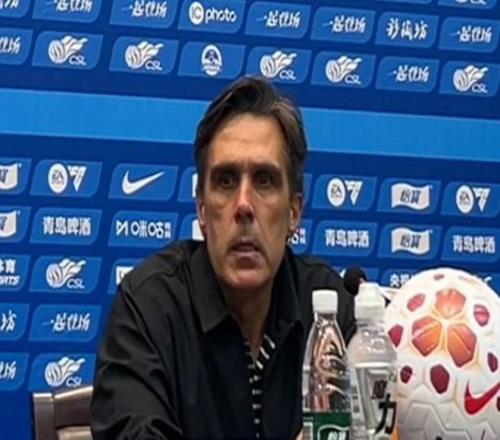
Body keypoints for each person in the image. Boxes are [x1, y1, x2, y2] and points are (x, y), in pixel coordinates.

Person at [91, 76, 355, 439]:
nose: (244, 205)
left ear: (294, 212)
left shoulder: (327, 309)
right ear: (202, 208)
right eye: (226, 181)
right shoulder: (149, 308)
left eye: (264, 180)